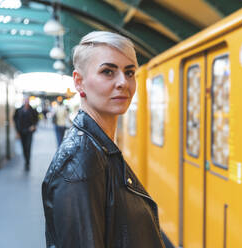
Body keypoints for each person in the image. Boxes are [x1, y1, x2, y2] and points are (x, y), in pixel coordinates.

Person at [42, 31, 165, 248]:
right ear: (79, 82)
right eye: (108, 71)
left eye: (129, 73)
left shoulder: (99, 148)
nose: (123, 83)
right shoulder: (80, 162)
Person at [13, 96, 38, 170]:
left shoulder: (32, 110)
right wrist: (17, 130)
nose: (26, 102)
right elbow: (15, 119)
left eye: (27, 100)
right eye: (25, 100)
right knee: (23, 147)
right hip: (21, 131)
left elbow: (36, 119)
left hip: (29, 131)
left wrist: (34, 126)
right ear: (23, 101)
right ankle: (26, 159)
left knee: (28, 146)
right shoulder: (19, 110)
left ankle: (28, 161)